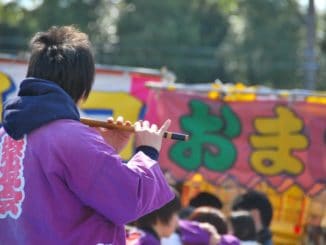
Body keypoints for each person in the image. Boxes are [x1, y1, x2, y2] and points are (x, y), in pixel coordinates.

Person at [0, 25, 174, 245]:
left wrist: (104, 151)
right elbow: (129, 200)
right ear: (83, 87)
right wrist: (147, 151)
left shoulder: (4, 135)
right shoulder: (72, 137)